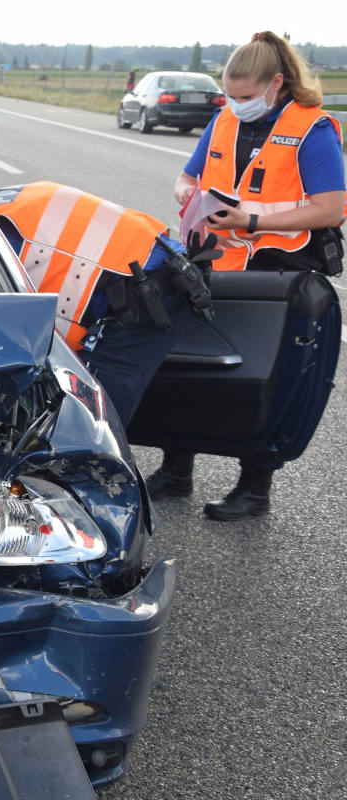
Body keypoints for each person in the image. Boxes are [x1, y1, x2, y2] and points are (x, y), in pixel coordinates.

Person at [149, 31, 345, 521]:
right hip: (213, 260)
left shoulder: (312, 130)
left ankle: (254, 487)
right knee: (190, 362)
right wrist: (187, 194)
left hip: (281, 274)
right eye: (229, 96)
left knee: (268, 377)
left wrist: (252, 222)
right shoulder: (223, 119)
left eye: (243, 97)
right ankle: (177, 469)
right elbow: (189, 176)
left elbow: (332, 209)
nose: (234, 105)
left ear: (276, 83)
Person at [0, 181, 214, 424]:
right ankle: (176, 473)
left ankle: (94, 475)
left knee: (98, 401)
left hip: (147, 287)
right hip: (153, 261)